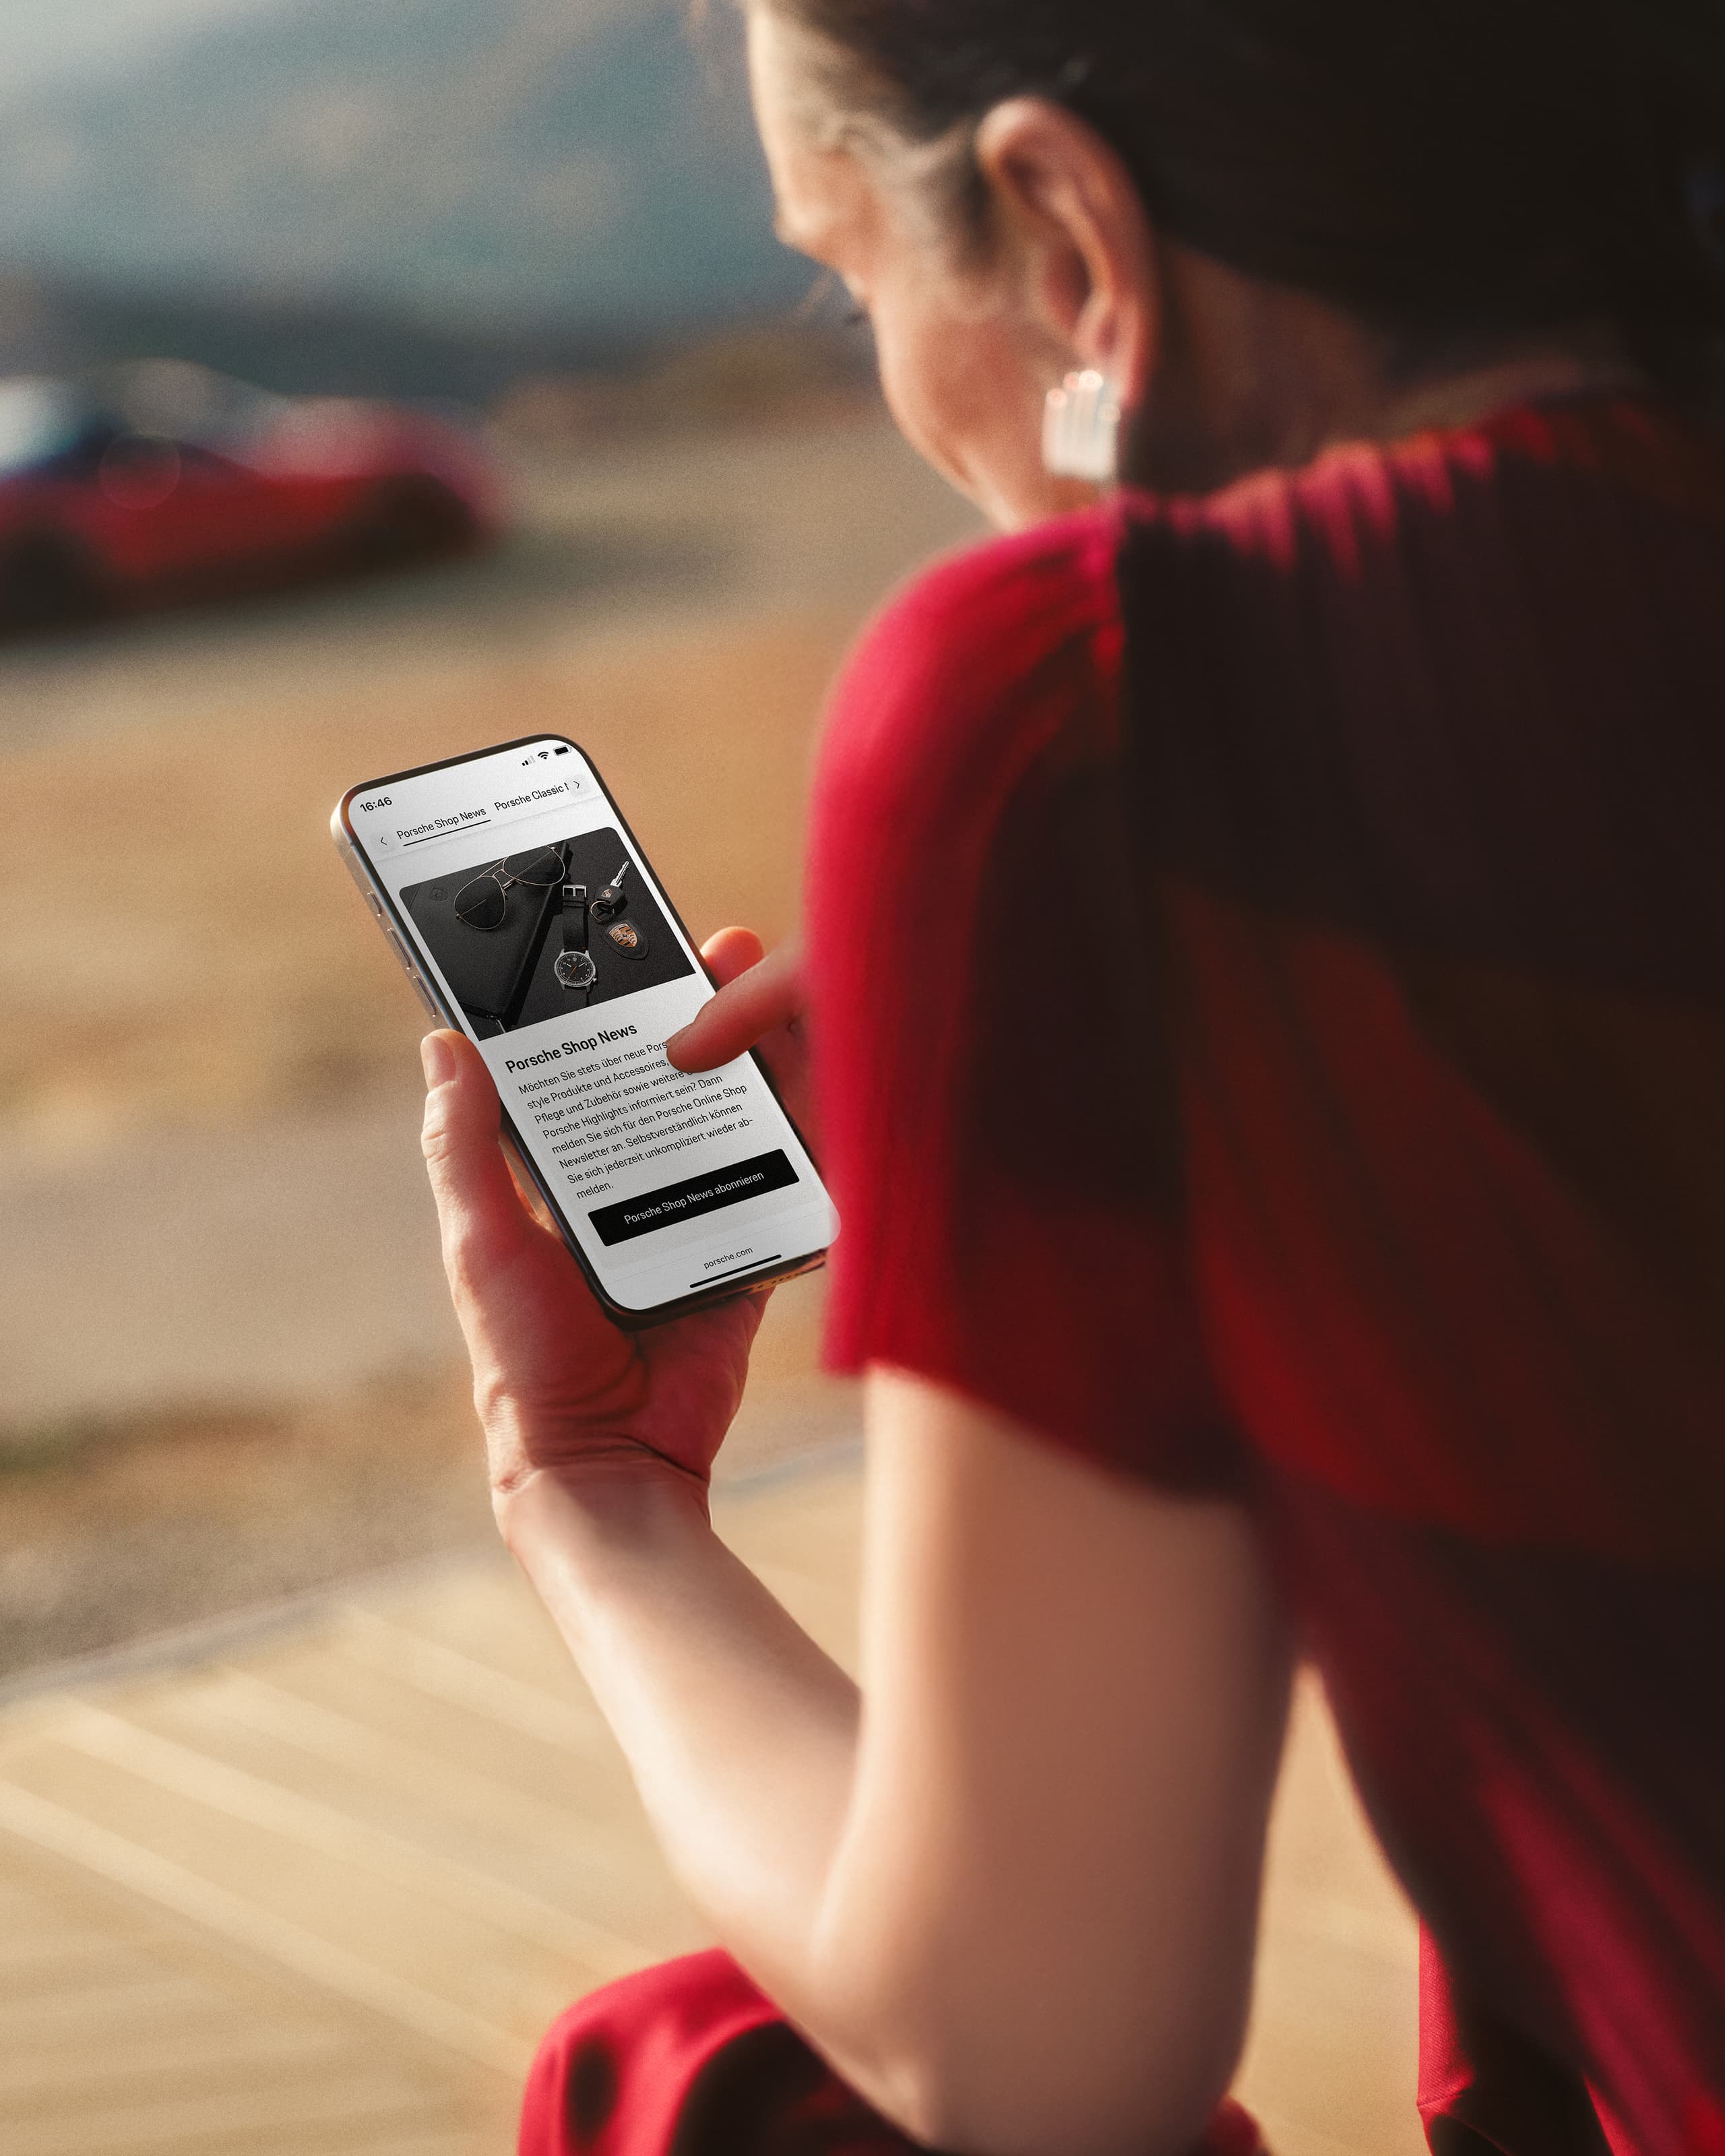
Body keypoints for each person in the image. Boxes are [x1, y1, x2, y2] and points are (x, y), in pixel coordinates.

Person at [414, 1, 1725, 2149]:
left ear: (1064, 237)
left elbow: (1037, 2056)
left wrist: (592, 1494)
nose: (897, 384)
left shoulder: (1082, 706)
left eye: (853, 284)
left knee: (706, 2088)